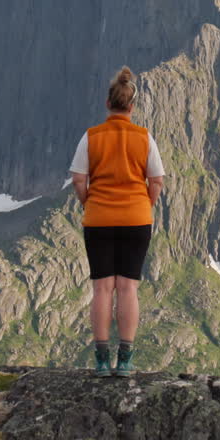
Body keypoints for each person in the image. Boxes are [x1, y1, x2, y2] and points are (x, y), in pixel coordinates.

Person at [68, 66, 166, 377]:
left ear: (108, 104)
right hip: (137, 219)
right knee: (127, 288)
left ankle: (100, 360)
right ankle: (125, 360)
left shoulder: (92, 137)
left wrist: (89, 202)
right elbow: (158, 180)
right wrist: (143, 204)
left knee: (102, 289)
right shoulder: (144, 137)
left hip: (99, 219)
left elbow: (78, 178)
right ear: (132, 107)